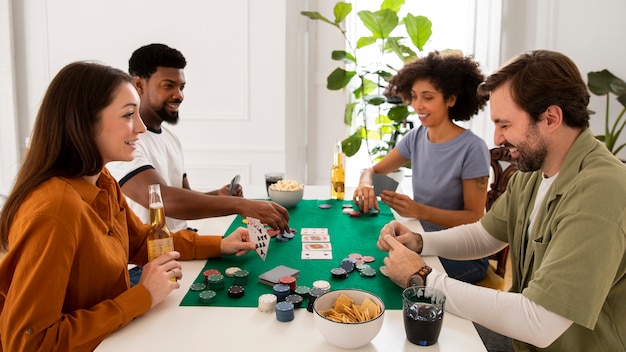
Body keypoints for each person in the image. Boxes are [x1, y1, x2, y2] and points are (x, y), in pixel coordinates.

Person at [377, 50, 626, 351]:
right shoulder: (534, 173)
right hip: (522, 338)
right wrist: (421, 242)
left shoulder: (600, 191)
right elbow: (485, 235)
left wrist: (424, 279)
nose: (496, 139)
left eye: (505, 125)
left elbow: (540, 321)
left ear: (551, 118)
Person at [0, 61, 257, 351]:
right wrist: (143, 295)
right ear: (84, 123)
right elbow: (29, 344)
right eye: (128, 115)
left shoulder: (102, 179)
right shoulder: (55, 210)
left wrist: (219, 244)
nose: (141, 127)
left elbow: (142, 242)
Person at [107, 43, 290, 233]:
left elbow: (184, 196)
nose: (178, 95)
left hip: (184, 244)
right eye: (169, 86)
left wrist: (218, 196)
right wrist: (240, 205)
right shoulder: (125, 141)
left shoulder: (170, 138)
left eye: (181, 87)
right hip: (149, 256)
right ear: (139, 84)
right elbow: (163, 199)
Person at [353, 51, 490, 284]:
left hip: (464, 255)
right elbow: (373, 171)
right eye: (414, 96)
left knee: (396, 279)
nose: (417, 105)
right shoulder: (416, 137)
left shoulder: (473, 149)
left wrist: (419, 211)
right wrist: (365, 183)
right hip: (422, 240)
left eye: (428, 97)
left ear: (451, 99)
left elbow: (474, 218)